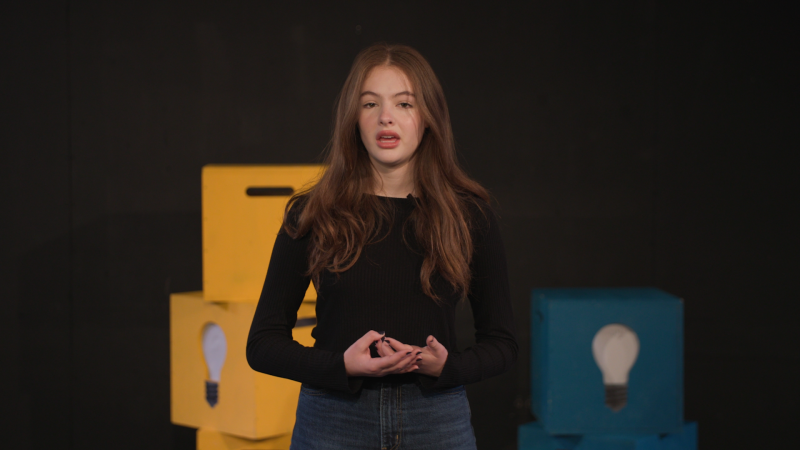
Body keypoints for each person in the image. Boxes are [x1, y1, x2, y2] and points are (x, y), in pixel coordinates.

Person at [246, 43, 517, 450]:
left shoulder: (469, 215)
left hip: (436, 419)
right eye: (370, 103)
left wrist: (449, 366)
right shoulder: (312, 213)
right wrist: (340, 366)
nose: (385, 117)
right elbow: (263, 344)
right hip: (334, 419)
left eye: (404, 103)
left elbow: (502, 342)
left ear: (428, 118)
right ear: (353, 119)